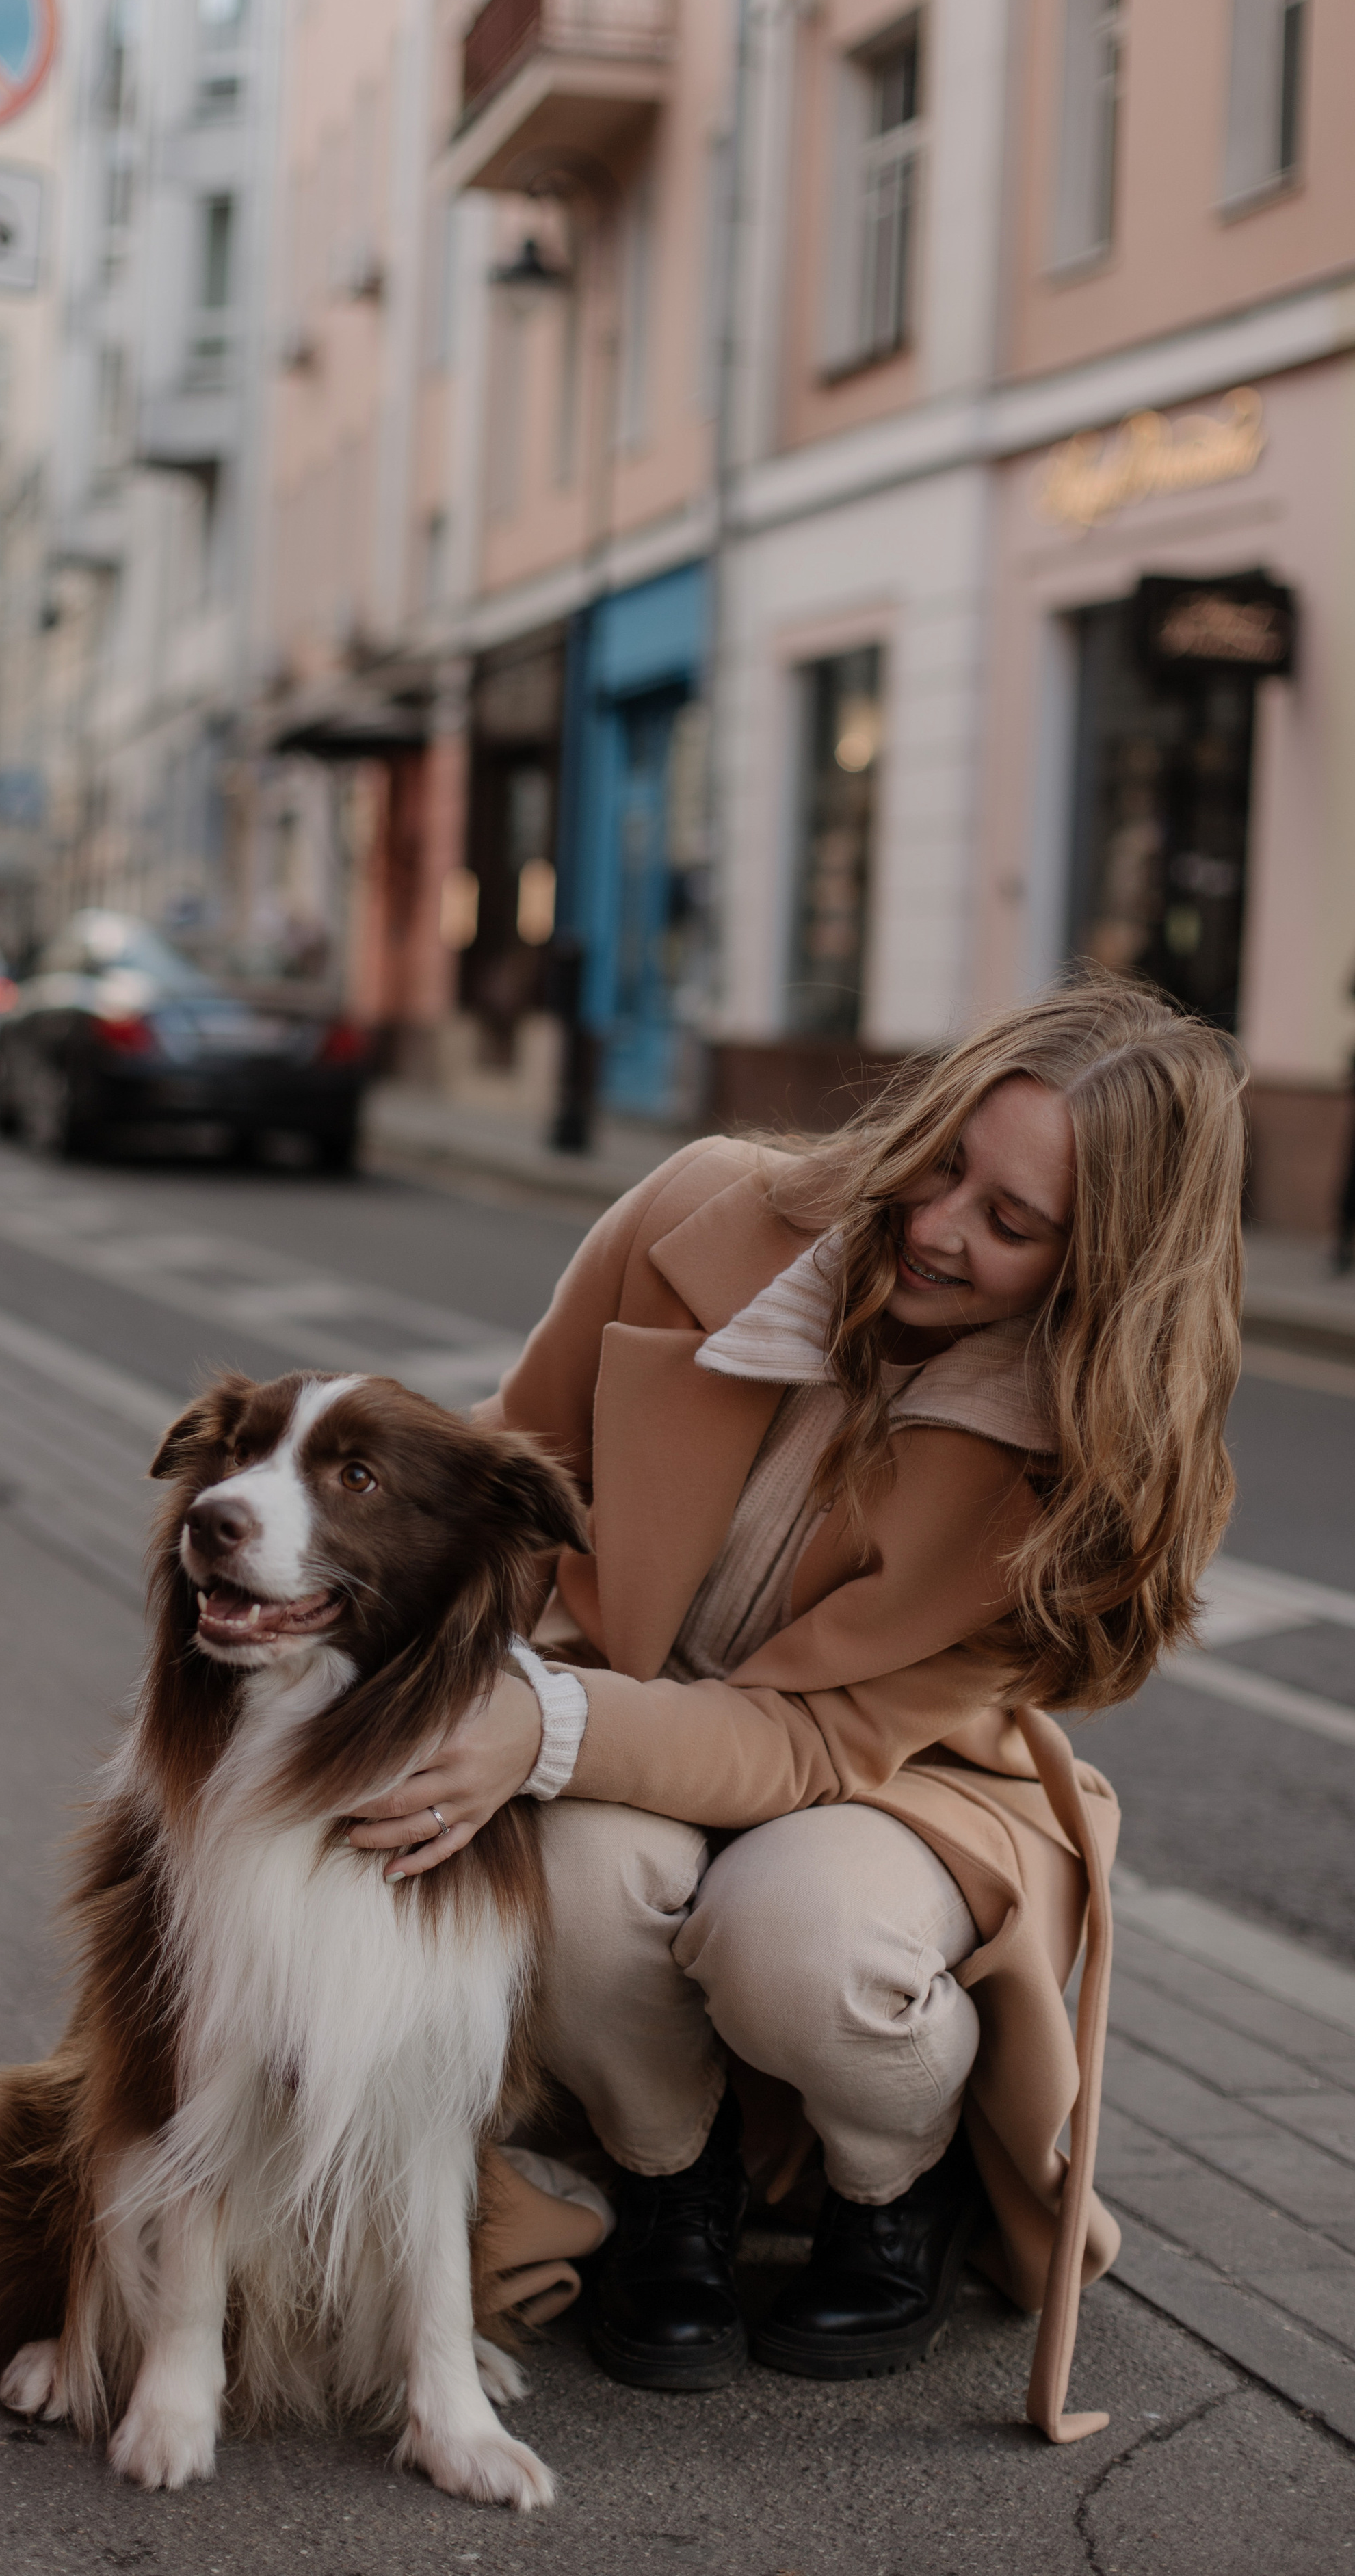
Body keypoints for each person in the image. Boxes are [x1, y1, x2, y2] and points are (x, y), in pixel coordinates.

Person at [345, 973, 1246, 2444]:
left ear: (1104, 1269)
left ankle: (893, 2185)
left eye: (1014, 1225)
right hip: (618, 1709)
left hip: (891, 1782)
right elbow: (517, 1477)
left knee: (793, 1936)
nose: (940, 1224)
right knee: (565, 1883)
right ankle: (668, 2186)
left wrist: (545, 1728)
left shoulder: (1077, 1457)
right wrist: (424, 1703)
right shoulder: (704, 1209)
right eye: (943, 1161)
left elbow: (815, 1742)